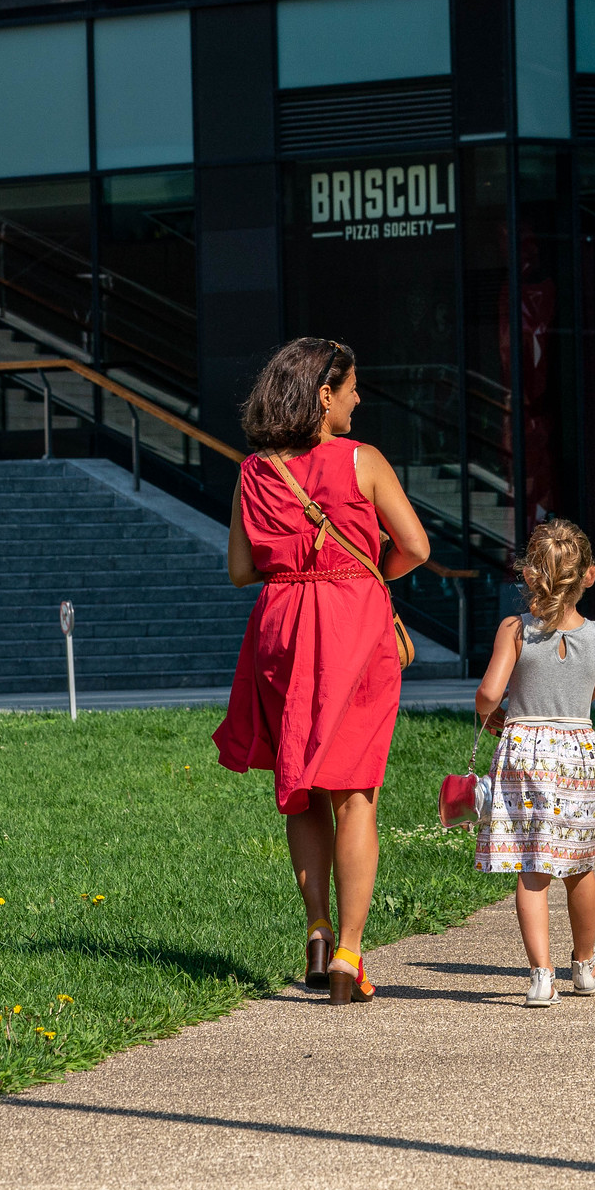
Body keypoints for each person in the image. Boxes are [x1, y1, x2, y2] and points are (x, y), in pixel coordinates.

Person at [213, 338, 431, 1006]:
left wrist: (301, 572)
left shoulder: (255, 472)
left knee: (303, 787)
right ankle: (348, 956)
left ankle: (314, 927)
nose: (361, 399)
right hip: (353, 629)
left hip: (282, 629)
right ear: (324, 393)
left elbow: (242, 571)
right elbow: (416, 546)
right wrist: (362, 574)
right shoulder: (363, 461)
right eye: (353, 387)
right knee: (355, 792)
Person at [471, 519, 595, 1007]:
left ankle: (541, 976)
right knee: (579, 865)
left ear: (529, 575)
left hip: (525, 752)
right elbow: (589, 694)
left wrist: (494, 715)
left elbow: (490, 693)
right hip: (577, 752)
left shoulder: (515, 629)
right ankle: (585, 962)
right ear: (589, 575)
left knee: (532, 867)